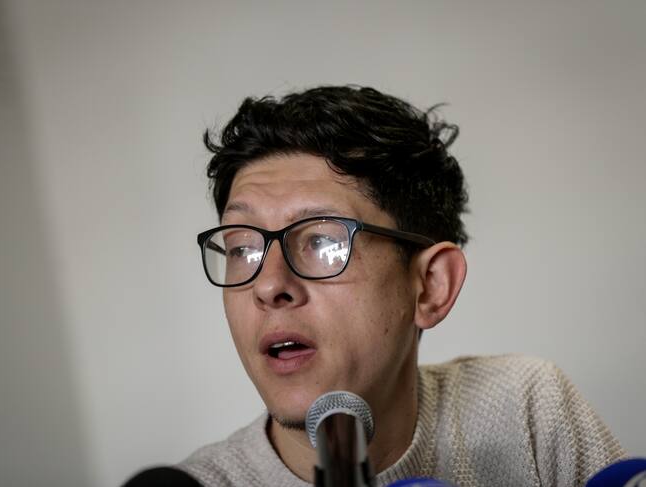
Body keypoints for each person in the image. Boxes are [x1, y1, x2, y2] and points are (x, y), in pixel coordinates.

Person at [180, 85, 624, 486]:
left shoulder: (526, 409)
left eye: (321, 241)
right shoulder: (200, 482)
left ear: (431, 285)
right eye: (242, 249)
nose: (268, 285)